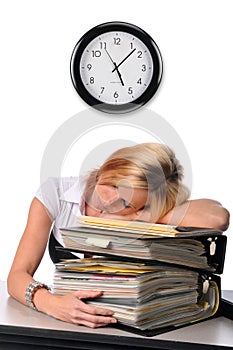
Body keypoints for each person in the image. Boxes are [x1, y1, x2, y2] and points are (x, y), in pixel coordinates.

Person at [7, 143, 229, 328]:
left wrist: (145, 216)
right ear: (109, 167)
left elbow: (217, 218)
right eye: (113, 184)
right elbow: (17, 275)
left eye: (125, 201)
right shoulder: (57, 193)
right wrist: (52, 304)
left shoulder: (143, 211)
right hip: (70, 323)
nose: (109, 200)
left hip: (131, 320)